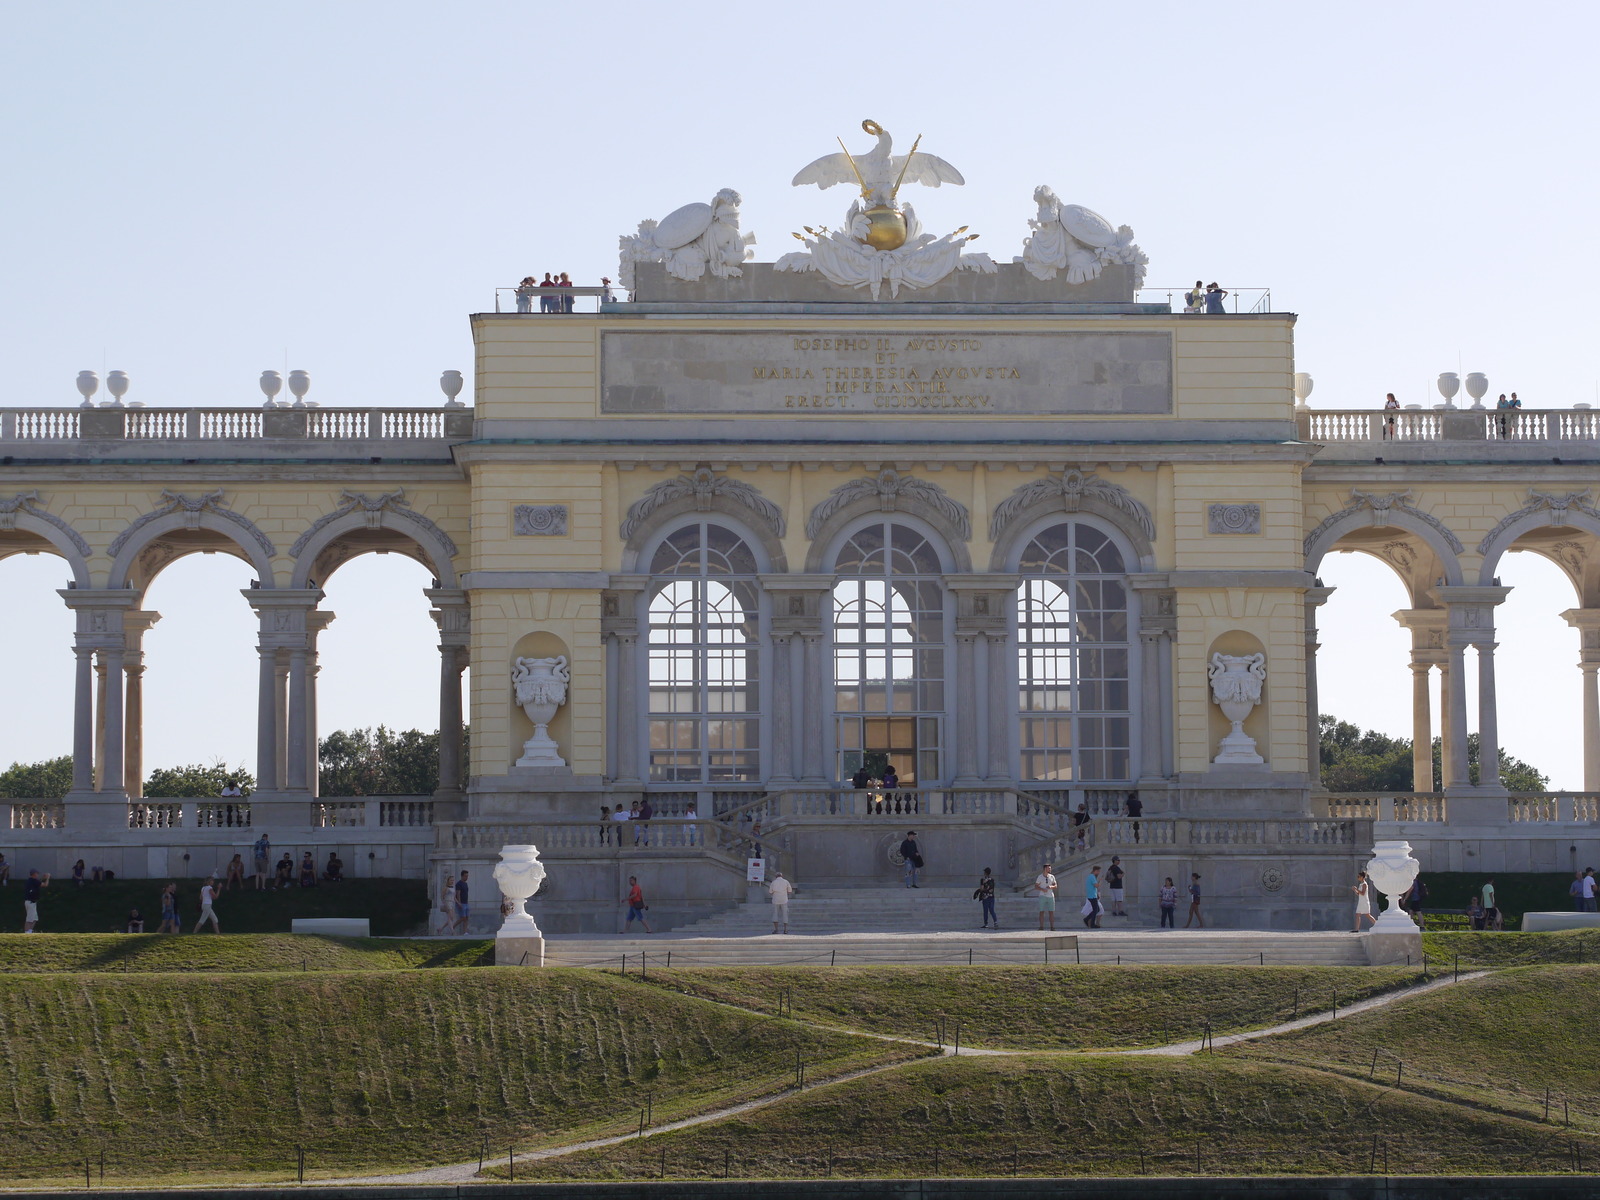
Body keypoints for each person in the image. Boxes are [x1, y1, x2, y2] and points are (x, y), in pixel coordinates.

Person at [768, 869, 795, 934]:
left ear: (776, 876)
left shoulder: (773, 882)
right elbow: (790, 891)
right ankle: (785, 930)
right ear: (782, 876)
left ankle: (776, 929)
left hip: (775, 900)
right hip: (784, 900)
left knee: (775, 914)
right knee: (785, 914)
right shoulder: (786, 881)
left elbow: (770, 892)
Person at [22, 868, 49, 933]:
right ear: (34, 874)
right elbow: (45, 885)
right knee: (29, 919)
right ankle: (26, 933)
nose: (37, 875)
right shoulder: (34, 881)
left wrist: (43, 878)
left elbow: (38, 883)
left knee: (34, 919)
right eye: (37, 873)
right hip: (30, 902)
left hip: (31, 902)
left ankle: (30, 931)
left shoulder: (30, 880)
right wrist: (47, 878)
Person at [1035, 862, 1058, 931]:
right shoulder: (1040, 877)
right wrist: (1042, 889)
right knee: (1041, 911)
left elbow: (1056, 885)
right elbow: (1036, 886)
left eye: (1050, 868)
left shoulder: (1052, 876)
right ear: (1045, 869)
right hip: (1042, 896)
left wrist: (1051, 886)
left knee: (1051, 911)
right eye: (1049, 868)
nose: (1050, 869)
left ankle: (1052, 927)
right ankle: (1041, 926)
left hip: (1050, 896)